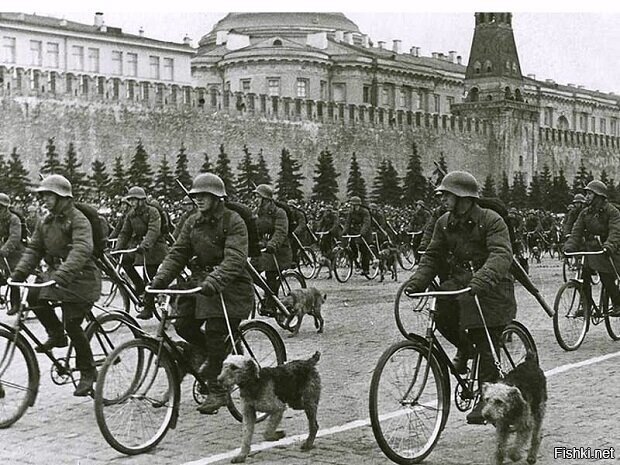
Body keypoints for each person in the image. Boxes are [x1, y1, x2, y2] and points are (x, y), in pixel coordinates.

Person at [404, 170, 516, 424]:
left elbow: (501, 255)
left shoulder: (492, 220)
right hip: (461, 283)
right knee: (441, 311)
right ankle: (466, 349)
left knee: (483, 336)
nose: (442, 199)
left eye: (447, 195)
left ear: (463, 198)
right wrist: (417, 281)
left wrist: (482, 279)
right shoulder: (444, 222)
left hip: (492, 289)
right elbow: (432, 255)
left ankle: (487, 400)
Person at [150, 173, 254, 413]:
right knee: (183, 324)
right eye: (195, 195)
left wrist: (215, 279)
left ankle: (218, 391)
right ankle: (212, 356)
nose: (198, 199)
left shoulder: (233, 221)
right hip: (201, 283)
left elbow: (236, 258)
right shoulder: (192, 222)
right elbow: (178, 253)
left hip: (231, 286)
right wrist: (160, 278)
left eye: (204, 195)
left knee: (217, 331)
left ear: (218, 198)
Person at [10, 175, 101, 396]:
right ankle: (56, 334)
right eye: (43, 196)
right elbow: (34, 249)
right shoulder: (46, 221)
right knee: (33, 296)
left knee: (72, 322)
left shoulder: (78, 219)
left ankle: (88, 372)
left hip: (81, 278)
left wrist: (62, 273)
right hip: (57, 276)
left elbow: (82, 249)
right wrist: (20, 272)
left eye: (49, 195)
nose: (45, 200)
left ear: (63, 197)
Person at [564, 180, 620, 317]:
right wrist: (569, 247)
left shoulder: (612, 212)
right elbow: (576, 232)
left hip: (609, 249)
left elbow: (615, 231)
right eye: (587, 194)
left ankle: (617, 303)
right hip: (591, 249)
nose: (587, 197)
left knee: (605, 275)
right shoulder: (584, 213)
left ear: (599, 196)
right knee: (584, 274)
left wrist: (609, 246)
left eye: (590, 194)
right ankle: (586, 305)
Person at [115, 186, 169, 319]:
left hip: (155, 247)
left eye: (135, 200)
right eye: (131, 200)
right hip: (141, 247)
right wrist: (117, 249)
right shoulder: (131, 214)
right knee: (125, 261)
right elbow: (124, 232)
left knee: (149, 275)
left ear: (142, 200)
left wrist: (145, 245)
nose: (132, 203)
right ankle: (139, 286)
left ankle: (148, 308)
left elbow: (153, 230)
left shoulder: (153, 212)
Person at [251, 184, 292, 314]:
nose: (255, 199)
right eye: (255, 197)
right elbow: (251, 229)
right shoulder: (256, 213)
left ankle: (272, 303)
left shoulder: (279, 212)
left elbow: (281, 231)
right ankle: (267, 292)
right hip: (263, 249)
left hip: (278, 251)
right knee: (250, 272)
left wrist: (272, 244)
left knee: (271, 274)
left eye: (258, 197)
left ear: (266, 198)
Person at [0, 193, 25, 315]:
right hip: (1, 252)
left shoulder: (14, 219)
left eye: (0, 207)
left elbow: (15, 237)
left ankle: (16, 303)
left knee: (13, 277)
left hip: (15, 252)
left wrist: (4, 250)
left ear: (6, 207)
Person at [342, 196, 372, 275]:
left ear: (358, 205)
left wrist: (362, 232)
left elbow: (366, 223)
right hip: (354, 231)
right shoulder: (351, 212)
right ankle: (355, 261)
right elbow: (347, 222)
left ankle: (366, 269)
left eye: (354, 205)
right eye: (351, 205)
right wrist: (345, 231)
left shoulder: (365, 211)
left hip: (365, 232)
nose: (352, 206)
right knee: (351, 245)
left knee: (364, 250)